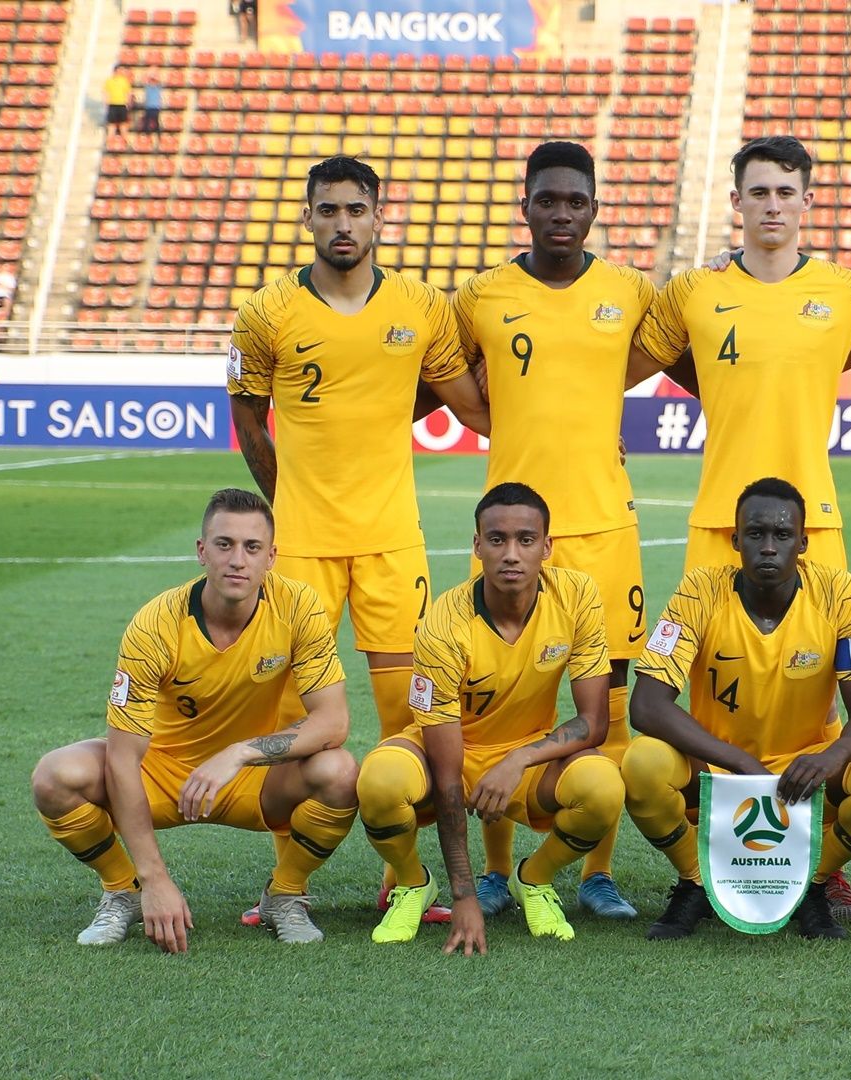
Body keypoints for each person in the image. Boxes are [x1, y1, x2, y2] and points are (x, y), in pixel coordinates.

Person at [229, 155, 488, 921]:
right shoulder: (267, 311)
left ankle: (405, 876)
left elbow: (470, 403)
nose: (343, 224)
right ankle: (288, 886)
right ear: (307, 218)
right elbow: (246, 415)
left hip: (391, 542)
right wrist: (287, 505)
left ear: (381, 217)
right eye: (328, 210)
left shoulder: (422, 306)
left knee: (408, 715)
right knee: (296, 722)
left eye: (356, 210)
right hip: (302, 546)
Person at [451, 141, 655, 923]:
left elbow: (651, 360)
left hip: (605, 531)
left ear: (594, 208)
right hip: (513, 531)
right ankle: (500, 872)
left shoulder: (631, 290)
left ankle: (595, 871)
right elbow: (456, 383)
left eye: (576, 201)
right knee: (505, 702)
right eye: (548, 200)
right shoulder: (482, 295)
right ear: (525, 206)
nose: (561, 214)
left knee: (611, 705)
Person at [30, 489, 359, 951]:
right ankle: (124, 892)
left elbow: (333, 721)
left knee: (340, 771)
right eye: (224, 545)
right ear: (202, 551)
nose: (237, 560)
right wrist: (155, 878)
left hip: (251, 779)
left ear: (271, 557)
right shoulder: (155, 624)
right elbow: (123, 760)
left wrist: (240, 752)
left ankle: (283, 896)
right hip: (162, 774)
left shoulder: (298, 607)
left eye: (252, 548)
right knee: (54, 776)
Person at [624, 478, 851, 941]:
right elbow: (646, 704)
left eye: (782, 536)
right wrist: (737, 761)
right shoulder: (700, 591)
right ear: (735, 540)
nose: (769, 548)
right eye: (755, 534)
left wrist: (828, 758)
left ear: (803, 542)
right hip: (717, 772)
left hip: (804, 773)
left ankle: (812, 884)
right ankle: (696, 882)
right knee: (641, 762)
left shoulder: (838, 592)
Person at [631, 135, 851, 578]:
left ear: (807, 201)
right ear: (737, 201)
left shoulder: (847, 292)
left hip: (812, 519)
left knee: (819, 646)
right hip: (720, 517)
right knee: (712, 647)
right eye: (759, 193)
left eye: (785, 193)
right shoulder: (695, 289)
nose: (773, 206)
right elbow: (622, 367)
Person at [356, 483, 625, 951]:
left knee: (603, 787)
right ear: (477, 546)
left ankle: (534, 879)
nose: (512, 554)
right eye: (497, 540)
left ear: (547, 546)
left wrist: (517, 760)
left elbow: (593, 723)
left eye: (526, 539)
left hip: (525, 757)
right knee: (379, 781)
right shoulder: (444, 624)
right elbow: (445, 773)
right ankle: (414, 882)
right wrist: (464, 894)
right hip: (442, 751)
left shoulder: (577, 595)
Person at [104, 65, 132, 137]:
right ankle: (110, 142)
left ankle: (125, 141)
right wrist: (107, 104)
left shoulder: (124, 81)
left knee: (123, 125)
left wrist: (128, 103)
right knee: (112, 125)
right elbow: (106, 93)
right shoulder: (109, 81)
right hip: (112, 104)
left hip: (122, 105)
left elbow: (128, 93)